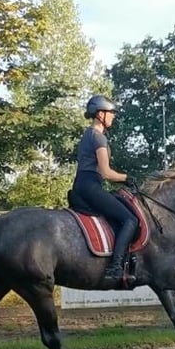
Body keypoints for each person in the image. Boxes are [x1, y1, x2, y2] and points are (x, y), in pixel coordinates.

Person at [71, 94, 138, 286]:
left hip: (83, 184)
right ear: (100, 114)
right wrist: (127, 178)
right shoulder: (98, 138)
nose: (113, 116)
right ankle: (115, 267)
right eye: (111, 113)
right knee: (129, 219)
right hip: (91, 185)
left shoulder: (88, 134)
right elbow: (106, 172)